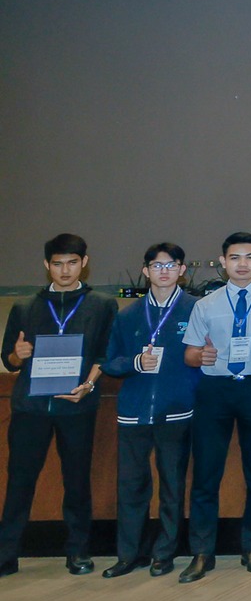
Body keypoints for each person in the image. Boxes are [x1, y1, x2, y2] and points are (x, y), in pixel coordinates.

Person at [0, 233, 116, 578]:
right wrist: (17, 355)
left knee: (77, 482)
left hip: (77, 407)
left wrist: (88, 386)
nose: (65, 270)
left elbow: (105, 354)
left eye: (72, 263)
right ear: (46, 265)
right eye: (57, 264)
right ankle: (6, 554)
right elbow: (8, 360)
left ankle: (78, 552)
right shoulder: (25, 307)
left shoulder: (101, 305)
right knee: (19, 482)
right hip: (30, 409)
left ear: (84, 263)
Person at [178, 231, 251, 582]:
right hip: (215, 390)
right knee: (206, 472)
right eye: (235, 258)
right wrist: (200, 356)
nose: (243, 264)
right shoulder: (205, 305)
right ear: (223, 262)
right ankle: (202, 552)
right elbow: (190, 354)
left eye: (250, 257)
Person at [99, 242, 199, 578]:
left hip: (177, 411)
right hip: (134, 412)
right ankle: (130, 554)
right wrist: (135, 362)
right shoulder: (127, 315)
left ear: (182, 270)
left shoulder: (195, 309)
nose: (164, 271)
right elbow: (109, 362)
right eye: (157, 266)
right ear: (146, 271)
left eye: (171, 265)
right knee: (131, 486)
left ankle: (164, 553)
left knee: (172, 486)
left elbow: (206, 357)